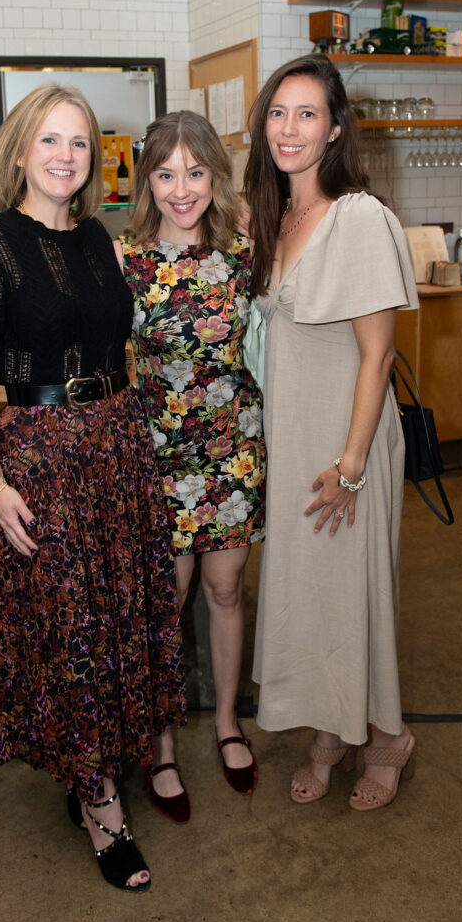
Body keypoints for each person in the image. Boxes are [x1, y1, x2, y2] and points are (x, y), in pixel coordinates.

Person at [0, 84, 186, 892]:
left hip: (117, 446)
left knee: (115, 618)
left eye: (79, 142)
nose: (64, 156)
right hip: (42, 456)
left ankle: (100, 767)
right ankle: (101, 805)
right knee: (70, 628)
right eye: (49, 139)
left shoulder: (99, 238)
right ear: (19, 149)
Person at [244, 54, 419, 811]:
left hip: (349, 442)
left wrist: (350, 467)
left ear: (335, 129)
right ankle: (331, 728)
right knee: (311, 594)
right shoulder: (276, 216)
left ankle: (386, 736)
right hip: (293, 439)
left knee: (354, 593)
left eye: (307, 113)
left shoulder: (359, 218)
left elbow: (377, 355)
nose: (289, 128)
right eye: (278, 113)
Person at [117, 111, 265, 821]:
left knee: (226, 591)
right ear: (147, 180)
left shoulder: (244, 251)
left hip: (232, 448)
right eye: (166, 174)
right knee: (165, 603)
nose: (182, 190)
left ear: (215, 176)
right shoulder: (125, 258)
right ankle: (162, 740)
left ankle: (228, 721)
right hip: (159, 456)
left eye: (196, 173)